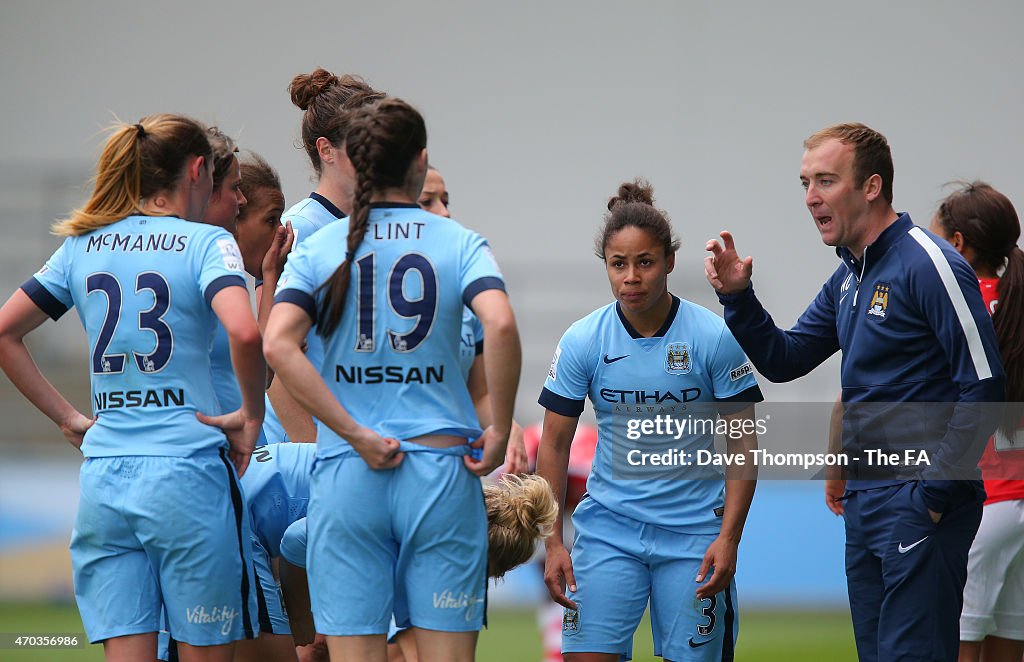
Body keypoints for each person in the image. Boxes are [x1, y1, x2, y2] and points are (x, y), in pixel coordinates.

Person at [704, 123, 1006, 662]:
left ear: (871, 186)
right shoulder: (848, 276)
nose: (811, 198)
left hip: (919, 499)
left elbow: (984, 385)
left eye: (825, 180)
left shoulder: (927, 263)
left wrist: (931, 499)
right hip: (867, 504)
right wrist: (740, 299)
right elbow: (786, 358)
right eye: (804, 183)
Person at [263, 97, 520, 662]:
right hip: (438, 474)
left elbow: (278, 343)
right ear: (420, 162)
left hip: (350, 475)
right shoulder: (459, 242)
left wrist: (352, 433)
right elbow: (499, 323)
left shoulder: (324, 244)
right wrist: (498, 428)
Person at [0, 114, 265, 661]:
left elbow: (5, 332)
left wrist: (69, 419)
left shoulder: (81, 246)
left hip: (105, 481)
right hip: (187, 475)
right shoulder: (207, 242)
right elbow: (243, 329)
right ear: (198, 170)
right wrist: (251, 416)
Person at [537, 180, 761, 661]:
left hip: (694, 538)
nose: (631, 277)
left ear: (669, 262)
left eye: (645, 262)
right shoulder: (583, 340)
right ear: (606, 265)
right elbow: (553, 446)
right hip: (606, 535)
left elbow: (744, 442)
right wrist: (552, 542)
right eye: (619, 264)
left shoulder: (712, 336)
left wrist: (729, 538)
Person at [275, 473, 560, 660]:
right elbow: (296, 539)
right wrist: (301, 616)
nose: (469, 583)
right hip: (252, 526)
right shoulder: (402, 519)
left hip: (278, 537)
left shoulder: (423, 527)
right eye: (477, 571)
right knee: (312, 646)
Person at [261, 69, 386, 444]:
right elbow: (276, 361)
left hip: (353, 438)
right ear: (326, 150)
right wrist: (312, 450)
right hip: (303, 448)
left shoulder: (378, 227)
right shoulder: (299, 229)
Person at [929, 182, 1024, 662]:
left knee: (958, 643)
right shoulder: (1017, 301)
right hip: (1020, 496)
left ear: (959, 243)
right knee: (1009, 642)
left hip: (981, 500)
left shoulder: (956, 303)